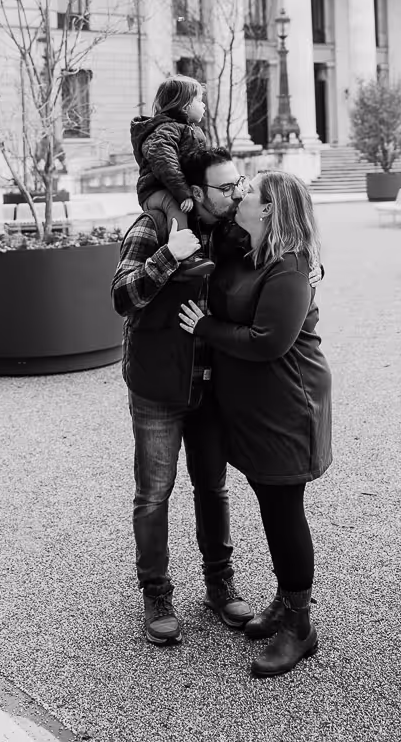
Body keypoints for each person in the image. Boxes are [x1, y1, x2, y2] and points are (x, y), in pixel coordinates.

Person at [178, 169, 332, 679]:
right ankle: (287, 603)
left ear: (267, 210)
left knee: (283, 508)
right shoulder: (248, 249)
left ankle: (300, 626)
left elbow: (268, 340)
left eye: (248, 192)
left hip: (287, 404)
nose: (238, 194)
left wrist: (205, 326)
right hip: (253, 406)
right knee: (270, 502)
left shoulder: (290, 265)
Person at [110, 146, 254, 645]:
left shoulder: (234, 227)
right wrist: (168, 256)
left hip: (213, 384)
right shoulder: (151, 226)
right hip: (159, 386)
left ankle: (219, 583)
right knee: (154, 492)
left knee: (213, 488)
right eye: (225, 188)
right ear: (194, 193)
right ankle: (156, 591)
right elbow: (121, 297)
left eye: (239, 185)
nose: (236, 194)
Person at [129, 75, 214, 280]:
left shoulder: (193, 131)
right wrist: (183, 192)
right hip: (156, 190)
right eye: (199, 100)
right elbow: (163, 158)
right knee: (176, 206)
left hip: (175, 188)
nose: (203, 105)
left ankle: (200, 249)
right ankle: (185, 257)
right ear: (185, 106)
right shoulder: (167, 129)